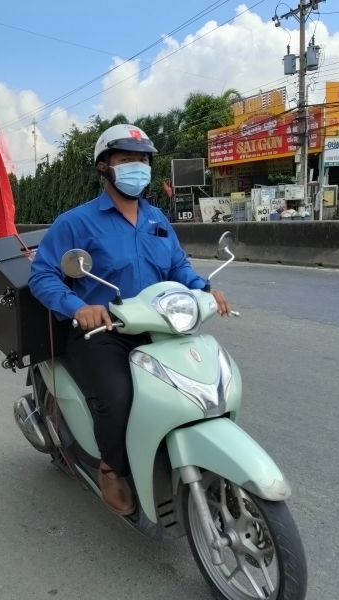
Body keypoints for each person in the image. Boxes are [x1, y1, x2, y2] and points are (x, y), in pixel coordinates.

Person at [29, 124, 232, 516]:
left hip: (159, 327)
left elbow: (178, 267)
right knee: (119, 394)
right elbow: (43, 274)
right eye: (126, 160)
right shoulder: (77, 222)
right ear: (104, 167)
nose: (137, 167)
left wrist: (204, 289)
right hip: (104, 331)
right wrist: (78, 307)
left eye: (142, 160)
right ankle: (111, 468)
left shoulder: (157, 219)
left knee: (200, 380)